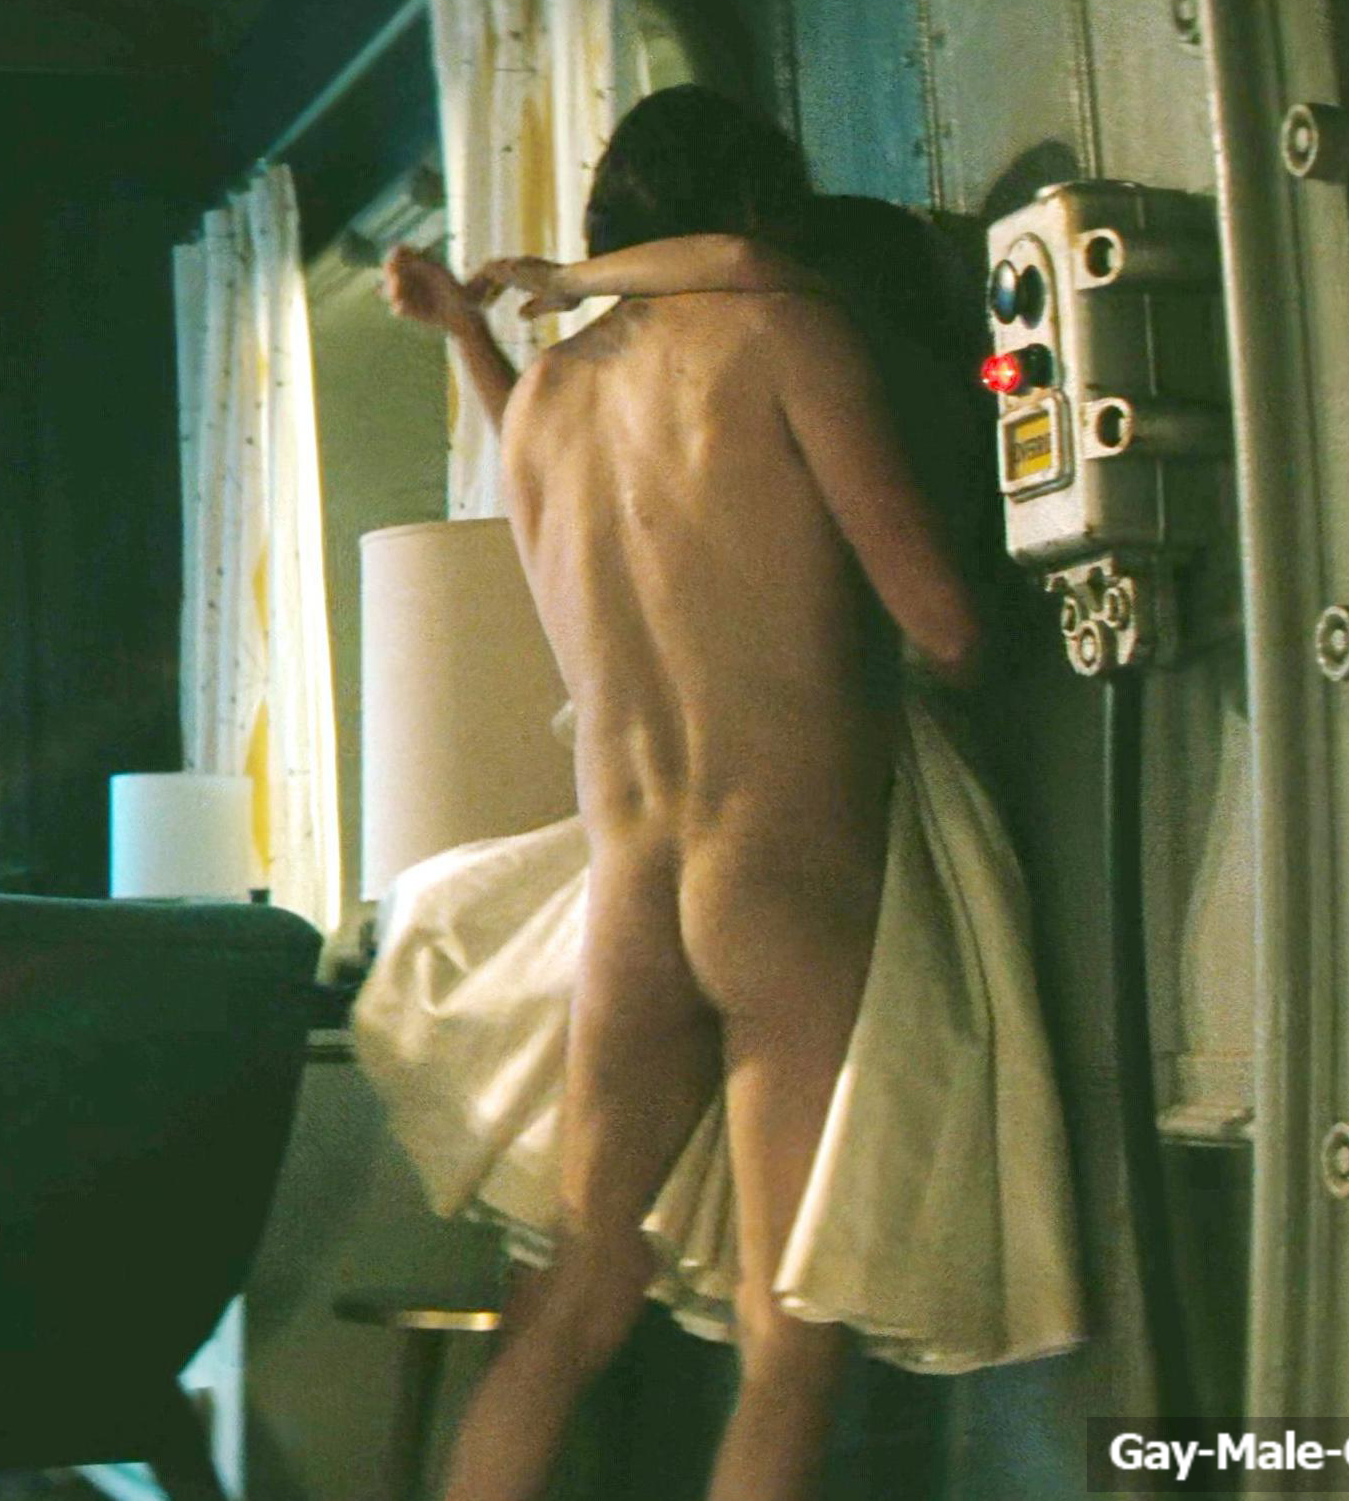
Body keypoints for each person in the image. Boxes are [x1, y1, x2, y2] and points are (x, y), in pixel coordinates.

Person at [358, 86, 1078, 1501]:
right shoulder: (783, 330)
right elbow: (943, 625)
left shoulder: (547, 403)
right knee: (783, 1346)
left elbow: (591, 530)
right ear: (763, 210)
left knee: (570, 1304)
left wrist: (472, 340)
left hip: (632, 896)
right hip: (786, 873)